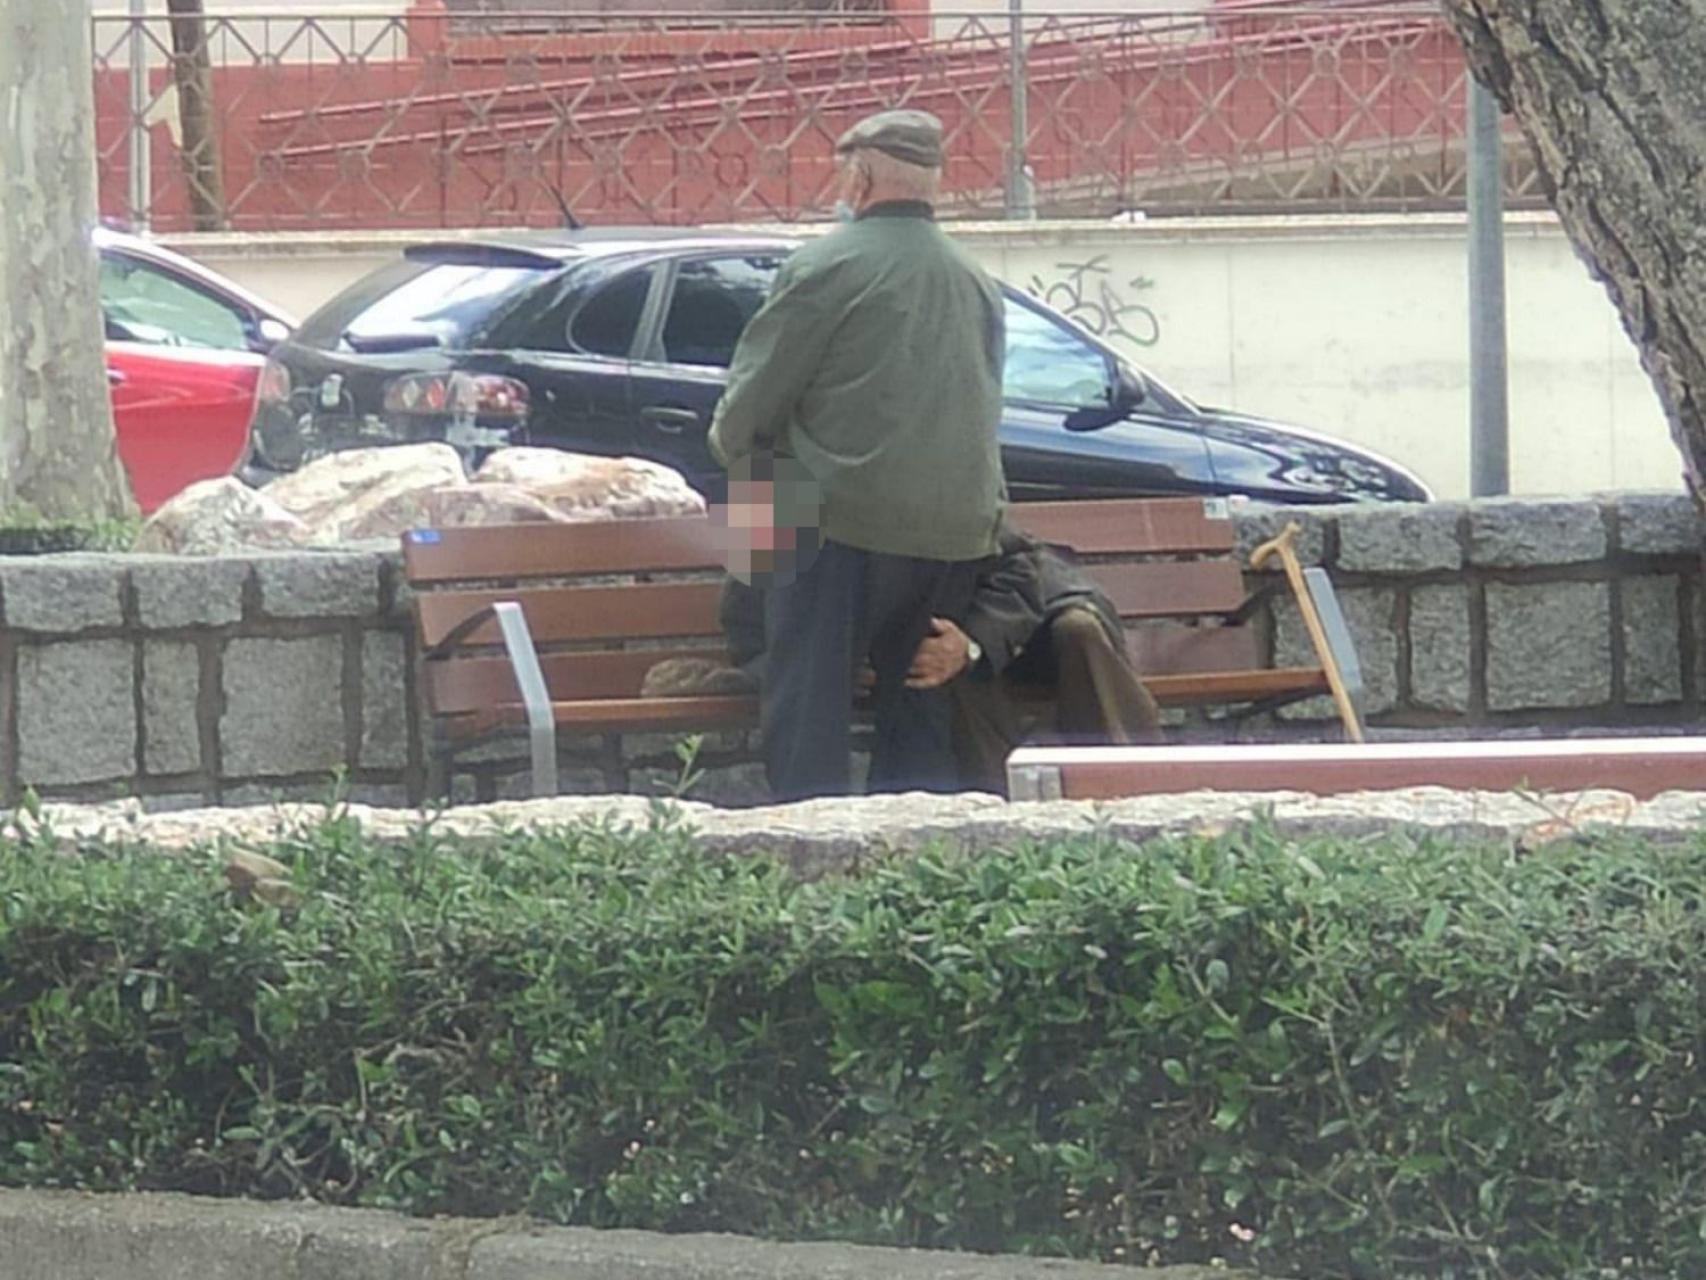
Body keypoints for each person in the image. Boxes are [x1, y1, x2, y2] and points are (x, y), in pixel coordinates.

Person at [706, 109, 1007, 801]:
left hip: (836, 527)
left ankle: (806, 836)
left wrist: (737, 465)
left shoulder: (824, 266)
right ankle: (917, 855)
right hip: (955, 533)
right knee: (920, 700)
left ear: (863, 175)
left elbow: (750, 408)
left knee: (805, 700)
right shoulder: (975, 280)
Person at [707, 521, 1163, 796]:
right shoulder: (774, 496)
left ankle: (1140, 791)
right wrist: (821, 665)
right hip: (907, 679)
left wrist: (969, 643)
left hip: (1007, 624)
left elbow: (1020, 566)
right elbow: (746, 631)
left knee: (1073, 632)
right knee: (935, 676)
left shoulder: (934, 464)